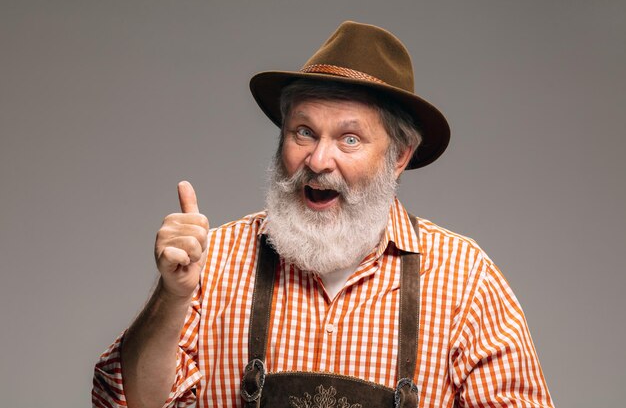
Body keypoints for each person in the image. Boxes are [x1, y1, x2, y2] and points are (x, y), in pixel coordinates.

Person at [93, 21, 554, 408]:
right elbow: (129, 403)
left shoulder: (465, 281)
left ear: (399, 155)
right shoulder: (214, 262)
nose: (317, 161)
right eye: (304, 132)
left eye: (349, 139)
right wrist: (171, 296)